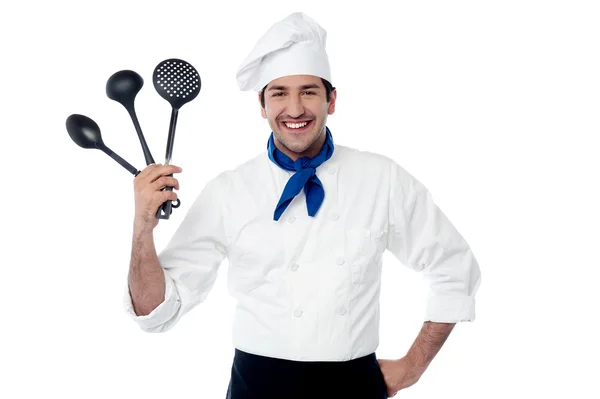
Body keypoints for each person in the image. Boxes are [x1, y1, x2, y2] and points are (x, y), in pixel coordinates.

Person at [123, 12, 482, 399]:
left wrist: (412, 367)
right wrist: (142, 227)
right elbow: (156, 311)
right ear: (261, 105)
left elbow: (454, 266)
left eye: (308, 91)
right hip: (256, 386)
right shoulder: (229, 191)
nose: (294, 109)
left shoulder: (382, 178)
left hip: (353, 386)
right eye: (279, 93)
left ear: (332, 99)